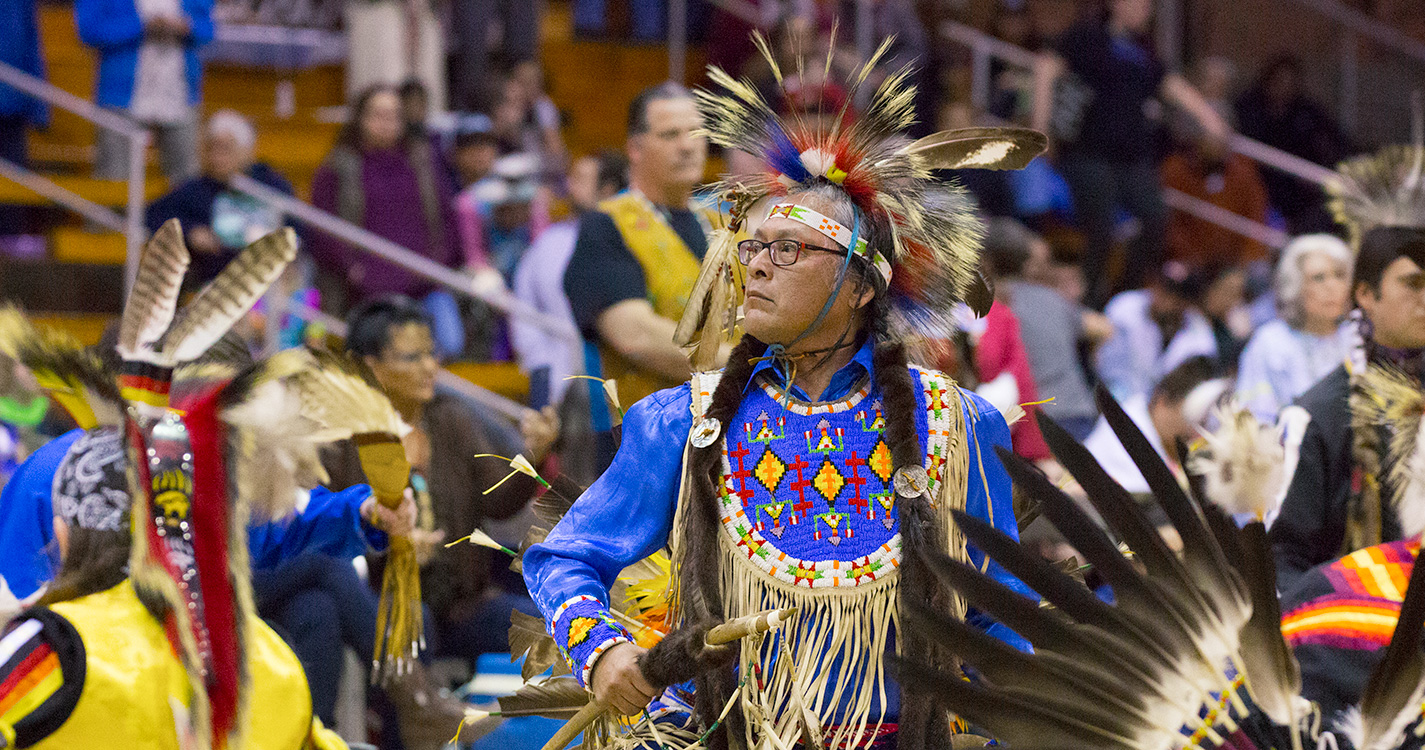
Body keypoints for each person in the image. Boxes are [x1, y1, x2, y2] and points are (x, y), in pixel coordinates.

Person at [524, 42, 1043, 748]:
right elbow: (564, 556)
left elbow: (996, 616)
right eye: (751, 248)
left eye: (789, 250)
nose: (757, 268)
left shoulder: (955, 425)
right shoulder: (682, 421)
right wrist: (602, 650)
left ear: (861, 285)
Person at [321, 296, 559, 673]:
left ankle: (515, 732)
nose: (430, 368)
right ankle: (411, 726)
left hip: (461, 607)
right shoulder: (340, 438)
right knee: (417, 625)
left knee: (544, 625)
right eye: (412, 358)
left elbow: (498, 502)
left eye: (431, 355)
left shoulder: (450, 418)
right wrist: (391, 549)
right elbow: (327, 533)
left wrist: (534, 455)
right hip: (376, 602)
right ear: (371, 367)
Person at [1268, 144, 1425, 593]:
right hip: (1355, 643)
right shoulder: (1317, 416)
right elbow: (1280, 562)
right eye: (1413, 283)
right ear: (1366, 295)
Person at [1033, 0, 1232, 309]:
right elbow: (1046, 68)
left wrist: (1210, 119)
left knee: (1155, 217)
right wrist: (1040, 128)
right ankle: (1087, 302)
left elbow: (1171, 85)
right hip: (1088, 152)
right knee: (1101, 221)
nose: (1145, 10)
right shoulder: (1089, 36)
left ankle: (1125, 296)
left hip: (1131, 159)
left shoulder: (1145, 49)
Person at [562, 82, 720, 468]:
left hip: (733, 430)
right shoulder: (606, 225)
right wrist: (742, 365)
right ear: (635, 148)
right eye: (670, 135)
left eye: (696, 133)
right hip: (648, 445)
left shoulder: (725, 221)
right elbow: (634, 335)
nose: (688, 145)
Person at [309, 85, 464, 360]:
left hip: (423, 285)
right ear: (360, 119)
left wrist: (437, 264)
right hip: (363, 292)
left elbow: (448, 221)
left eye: (393, 116)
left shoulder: (423, 162)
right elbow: (322, 230)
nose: (386, 123)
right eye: (377, 115)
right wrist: (352, 269)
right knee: (381, 358)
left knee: (450, 344)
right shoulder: (338, 167)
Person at [511, 151, 628, 407]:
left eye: (581, 179)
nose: (569, 186)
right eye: (571, 178)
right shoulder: (550, 241)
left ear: (607, 188)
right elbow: (523, 305)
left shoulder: (631, 236)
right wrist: (538, 359)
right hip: (559, 376)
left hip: (622, 375)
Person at [982, 218, 1113, 440]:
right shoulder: (1050, 298)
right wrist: (1091, 365)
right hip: (1082, 414)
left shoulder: (990, 306)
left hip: (1040, 423)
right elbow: (1105, 328)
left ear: (986, 261)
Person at [144, 110, 296, 290]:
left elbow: (297, 230)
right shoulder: (195, 188)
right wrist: (190, 231)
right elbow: (152, 215)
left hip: (268, 279)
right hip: (215, 281)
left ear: (247, 151)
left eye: (225, 149)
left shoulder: (271, 186)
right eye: (211, 148)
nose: (217, 158)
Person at [75, 0, 211, 182]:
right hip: (121, 95)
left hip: (180, 92)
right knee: (115, 178)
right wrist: (142, 25)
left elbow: (208, 28)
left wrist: (186, 26)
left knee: (187, 181)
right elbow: (89, 30)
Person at [1236, 234, 1355, 422]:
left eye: (1340, 275)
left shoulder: (1357, 337)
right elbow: (1254, 418)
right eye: (1319, 278)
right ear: (1295, 285)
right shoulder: (1271, 342)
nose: (1332, 286)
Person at [1235, 56, 1350, 234]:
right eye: (1279, 81)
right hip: (1263, 184)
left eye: (1290, 82)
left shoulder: (1306, 111)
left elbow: (1337, 141)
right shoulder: (1249, 108)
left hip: (1300, 190)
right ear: (1268, 81)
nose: (1284, 88)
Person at [1082, 355, 1226, 495]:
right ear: (1163, 400)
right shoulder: (1124, 434)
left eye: (1207, 424)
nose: (1199, 434)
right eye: (1196, 421)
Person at [1095, 260, 1219, 402]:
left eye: (1171, 294)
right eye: (1160, 286)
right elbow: (1106, 366)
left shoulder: (1201, 336)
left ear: (1187, 303)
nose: (1160, 295)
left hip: (1162, 412)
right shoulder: (1125, 306)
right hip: (1109, 400)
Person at [1161, 132, 1271, 269]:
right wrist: (1190, 260)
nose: (1213, 145)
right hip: (1188, 263)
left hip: (1234, 265)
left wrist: (1243, 269)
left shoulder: (1243, 172)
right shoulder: (1175, 171)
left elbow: (1256, 224)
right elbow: (1171, 225)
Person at [0, 0, 47, 235]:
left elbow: (31, 44)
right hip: (11, 98)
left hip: (12, 105)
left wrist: (40, 108)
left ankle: (12, 236)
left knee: (15, 181)